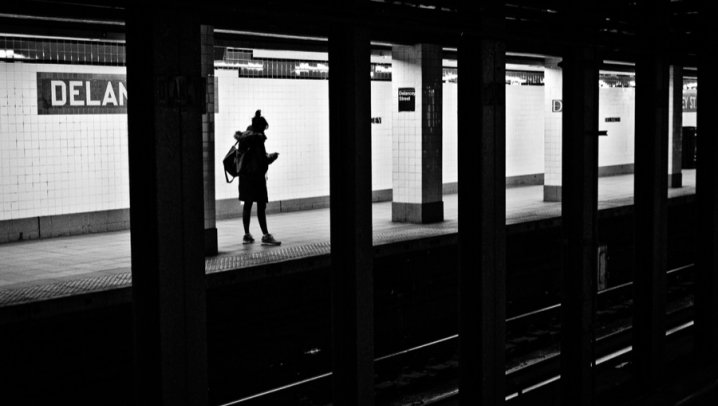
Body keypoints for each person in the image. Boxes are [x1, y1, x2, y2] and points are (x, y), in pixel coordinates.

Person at [235, 110, 280, 246]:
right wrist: (272, 157)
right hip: (257, 178)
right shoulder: (257, 139)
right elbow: (262, 160)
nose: (265, 132)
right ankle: (266, 235)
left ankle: (246, 235)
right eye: (264, 128)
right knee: (261, 205)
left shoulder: (244, 137)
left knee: (247, 205)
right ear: (260, 127)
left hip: (244, 177)